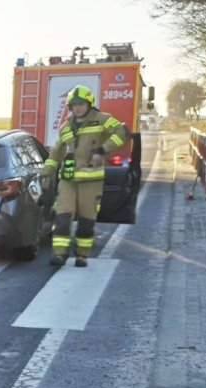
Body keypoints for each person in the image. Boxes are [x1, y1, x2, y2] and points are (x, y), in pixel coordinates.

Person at [42, 85, 130, 267]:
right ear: (70, 107)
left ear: (89, 104)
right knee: (62, 217)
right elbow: (55, 154)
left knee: (86, 221)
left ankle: (82, 255)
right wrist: (47, 173)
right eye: (74, 105)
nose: (78, 108)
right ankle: (60, 254)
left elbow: (121, 133)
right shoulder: (65, 128)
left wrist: (102, 151)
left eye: (81, 104)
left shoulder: (102, 120)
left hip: (91, 180)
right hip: (68, 181)